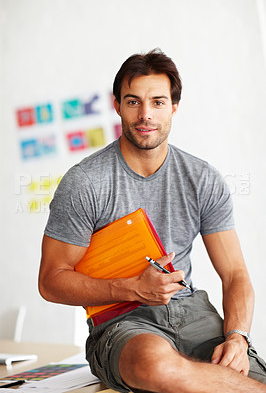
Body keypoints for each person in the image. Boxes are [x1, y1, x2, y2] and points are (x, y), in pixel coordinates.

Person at [38, 49, 266, 393]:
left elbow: (235, 274)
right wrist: (132, 288)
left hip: (194, 315)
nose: (145, 115)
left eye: (158, 102)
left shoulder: (202, 178)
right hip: (122, 322)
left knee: (236, 370)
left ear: (174, 106)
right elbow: (50, 281)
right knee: (156, 367)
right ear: (117, 105)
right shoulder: (85, 182)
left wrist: (237, 337)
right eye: (133, 102)